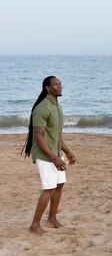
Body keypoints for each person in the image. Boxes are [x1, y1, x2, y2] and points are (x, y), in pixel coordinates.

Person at [22, 76, 76, 236]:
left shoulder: (57, 107)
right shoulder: (43, 108)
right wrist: (54, 157)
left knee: (59, 185)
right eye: (55, 84)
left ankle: (52, 219)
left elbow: (56, 135)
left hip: (56, 153)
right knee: (49, 188)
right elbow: (38, 137)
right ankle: (34, 225)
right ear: (47, 88)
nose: (59, 86)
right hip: (45, 155)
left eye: (60, 83)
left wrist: (67, 151)